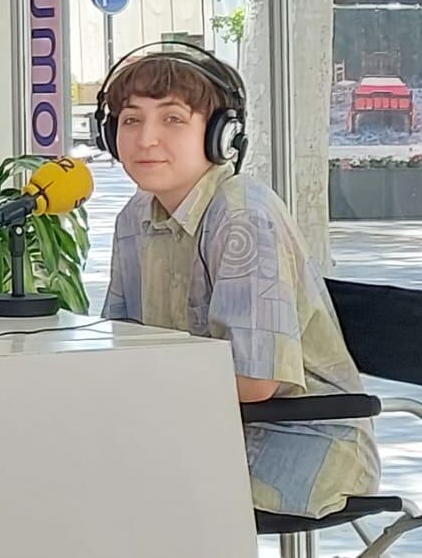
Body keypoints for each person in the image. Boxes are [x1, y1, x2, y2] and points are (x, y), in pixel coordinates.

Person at [98, 44, 379, 519]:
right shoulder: (135, 217)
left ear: (220, 136)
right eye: (130, 120)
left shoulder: (241, 216)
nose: (146, 139)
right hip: (200, 425)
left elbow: (253, 382)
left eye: (172, 120)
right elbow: (121, 345)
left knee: (117, 499)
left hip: (298, 439)